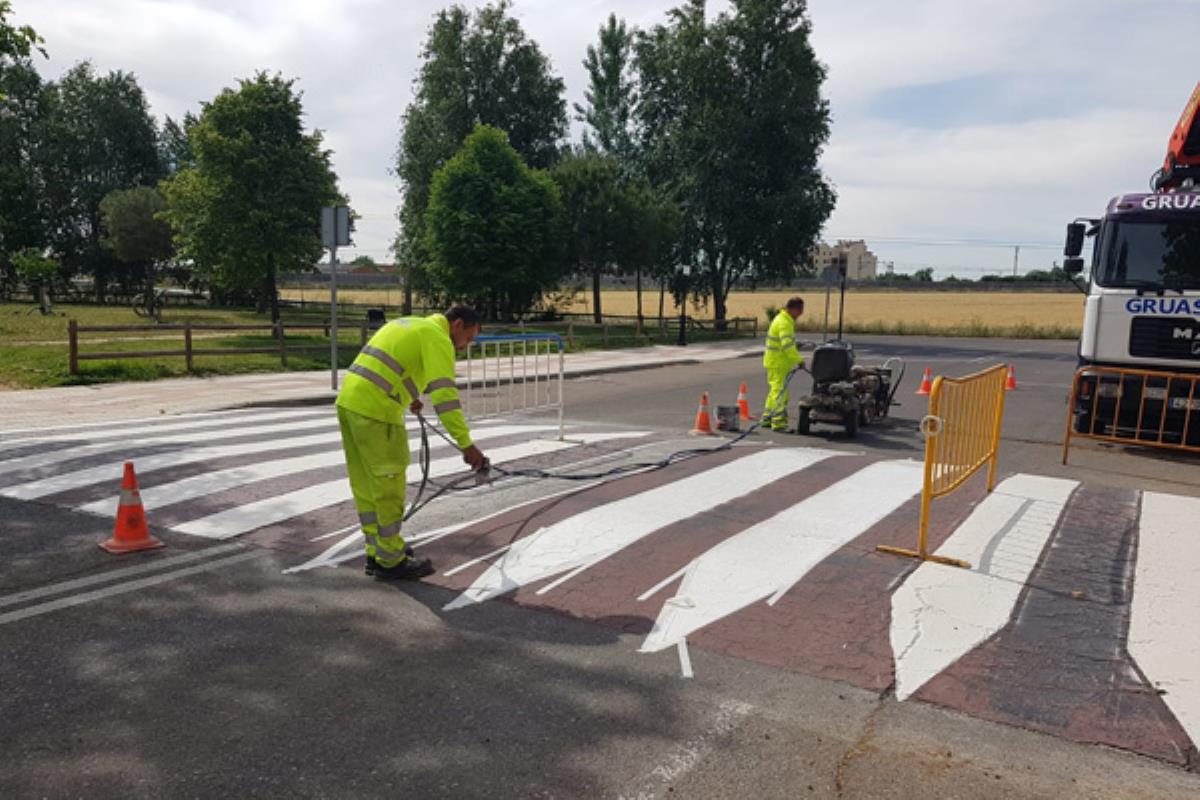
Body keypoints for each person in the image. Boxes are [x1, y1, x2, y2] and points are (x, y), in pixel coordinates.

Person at [335, 305, 488, 580]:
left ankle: (377, 551)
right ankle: (391, 560)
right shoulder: (438, 338)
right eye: (470, 337)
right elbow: (445, 397)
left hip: (349, 402)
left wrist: (410, 396)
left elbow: (391, 365)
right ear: (457, 325)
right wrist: (466, 444)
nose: (467, 346)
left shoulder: (409, 323)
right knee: (389, 484)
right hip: (377, 411)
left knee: (366, 485)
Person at [762, 297, 805, 431]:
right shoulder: (784, 323)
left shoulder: (782, 319)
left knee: (774, 391)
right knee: (780, 393)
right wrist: (799, 360)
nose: (801, 314)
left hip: (775, 362)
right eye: (800, 310)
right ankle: (779, 423)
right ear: (793, 309)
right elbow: (787, 346)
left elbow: (784, 342)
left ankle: (767, 417)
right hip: (778, 363)